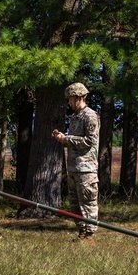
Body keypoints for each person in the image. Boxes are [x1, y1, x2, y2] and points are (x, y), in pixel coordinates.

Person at [52, 82, 100, 243]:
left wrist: (68, 139)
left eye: (71, 99)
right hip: (74, 166)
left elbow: (90, 141)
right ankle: (81, 232)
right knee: (75, 204)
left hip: (86, 169)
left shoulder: (90, 116)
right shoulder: (75, 117)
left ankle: (90, 235)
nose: (69, 103)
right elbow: (75, 141)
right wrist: (63, 139)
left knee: (88, 202)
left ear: (79, 98)